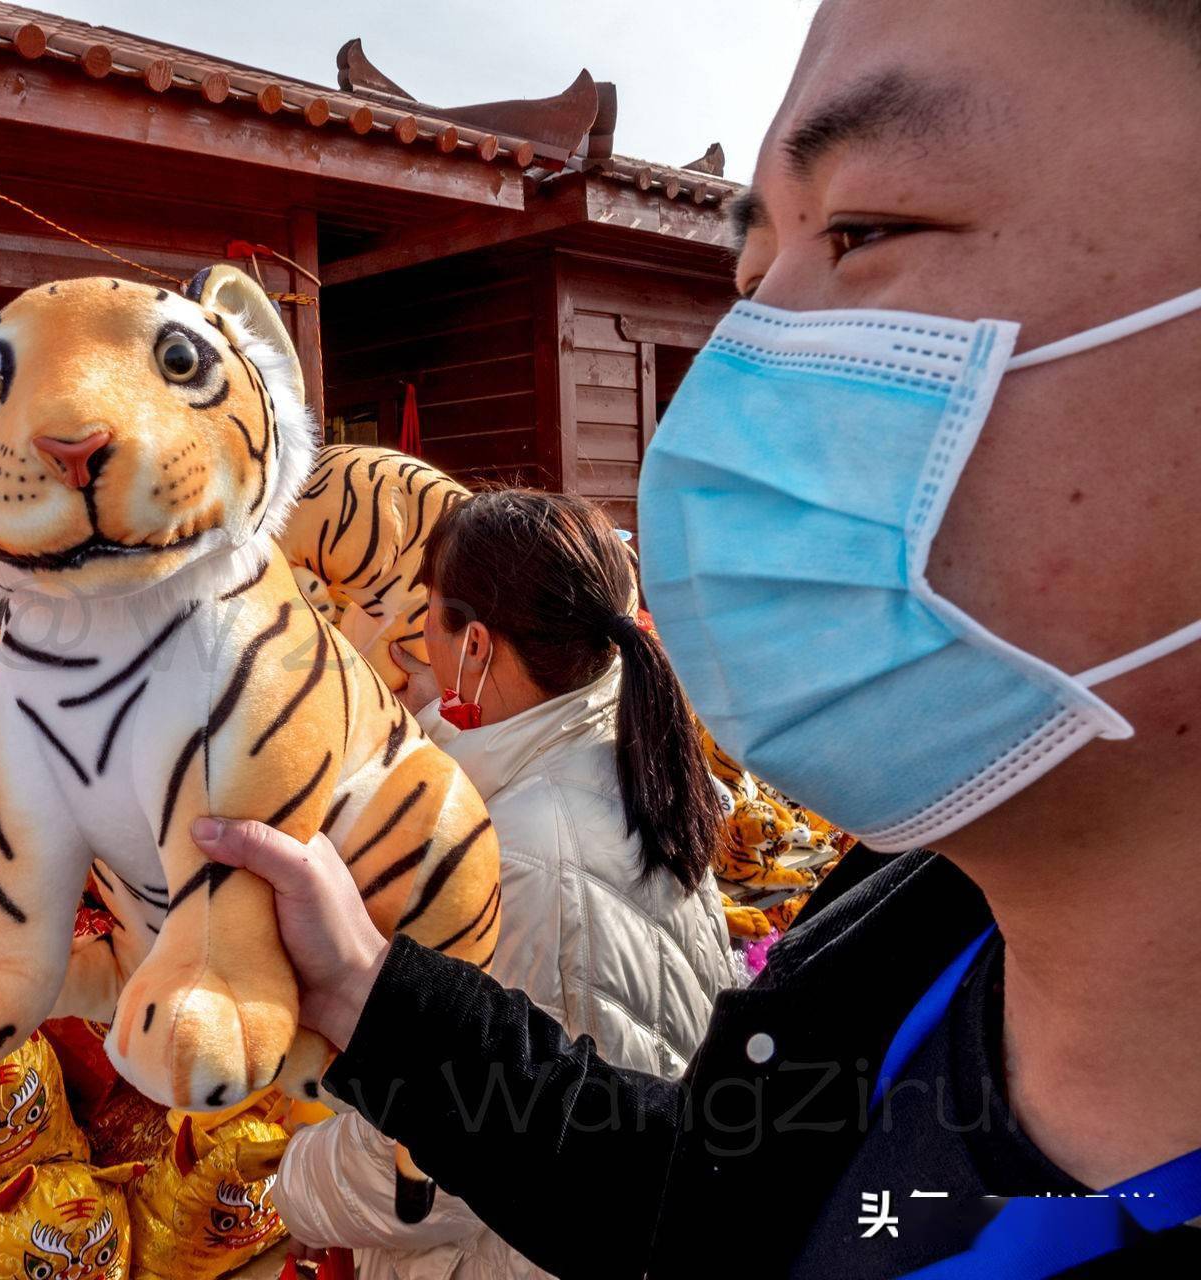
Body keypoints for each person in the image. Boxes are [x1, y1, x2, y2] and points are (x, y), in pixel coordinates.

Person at [190, 0, 1201, 1275]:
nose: (746, 363)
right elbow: (704, 1208)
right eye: (751, 274)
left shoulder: (541, 850)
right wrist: (370, 995)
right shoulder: (919, 924)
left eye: (869, 229)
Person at [269, 490, 735, 1279]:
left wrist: (298, 1184)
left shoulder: (519, 855)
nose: (414, 640)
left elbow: (451, 1150)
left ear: (476, 649)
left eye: (429, 618)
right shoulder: (618, 755)